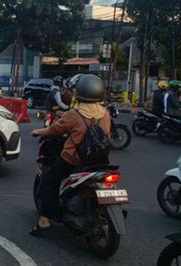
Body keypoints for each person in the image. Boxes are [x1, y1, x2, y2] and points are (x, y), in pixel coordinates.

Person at [29, 74, 111, 235]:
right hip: (99, 161)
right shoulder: (105, 113)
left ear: (79, 91)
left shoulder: (75, 114)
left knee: (49, 180)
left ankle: (44, 221)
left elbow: (54, 130)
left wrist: (38, 131)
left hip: (73, 160)